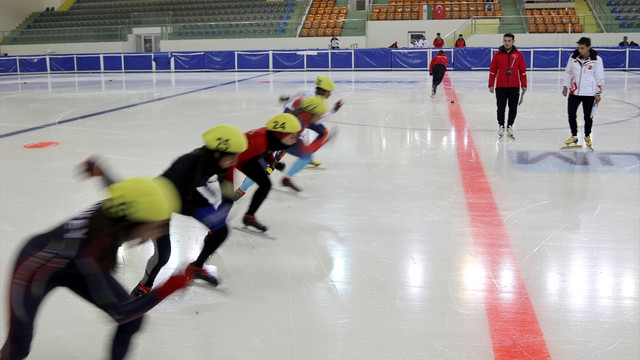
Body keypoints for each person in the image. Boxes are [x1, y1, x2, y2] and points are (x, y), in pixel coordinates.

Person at [0, 176, 192, 360]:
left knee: (134, 322)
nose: (155, 235)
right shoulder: (95, 246)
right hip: (33, 269)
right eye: (154, 227)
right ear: (133, 221)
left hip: (73, 265)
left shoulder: (119, 211)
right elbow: (121, 312)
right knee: (18, 350)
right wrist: (170, 286)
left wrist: (99, 170)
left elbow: (120, 187)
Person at [117, 124, 249, 296]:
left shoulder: (219, 162)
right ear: (218, 153)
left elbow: (227, 190)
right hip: (160, 200)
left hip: (186, 194)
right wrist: (204, 213)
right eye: (233, 157)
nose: (235, 161)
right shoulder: (188, 163)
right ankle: (144, 286)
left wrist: (222, 211)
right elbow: (175, 198)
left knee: (221, 230)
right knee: (163, 255)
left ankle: (196, 267)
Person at [228, 114, 302, 232]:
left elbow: (266, 151)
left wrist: (273, 163)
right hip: (234, 159)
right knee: (227, 194)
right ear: (280, 134)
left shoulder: (272, 138)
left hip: (246, 158)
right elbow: (235, 160)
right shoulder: (260, 143)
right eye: (292, 136)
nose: (295, 140)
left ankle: (249, 217)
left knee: (265, 185)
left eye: (296, 136)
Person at [562, 37, 604, 149]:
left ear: (588, 47)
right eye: (579, 48)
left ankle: (587, 136)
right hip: (574, 91)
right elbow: (568, 72)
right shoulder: (573, 57)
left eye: (582, 48)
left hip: (589, 93)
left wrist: (598, 93)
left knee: (588, 117)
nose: (580, 50)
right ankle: (574, 135)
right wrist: (565, 86)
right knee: (571, 115)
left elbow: (599, 77)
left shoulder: (597, 60)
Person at [488, 33, 527, 138]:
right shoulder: (497, 55)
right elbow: (493, 71)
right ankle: (501, 125)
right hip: (500, 86)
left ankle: (510, 125)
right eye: (505, 40)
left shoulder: (519, 55)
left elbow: (523, 71)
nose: (507, 43)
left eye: (509, 41)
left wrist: (524, 84)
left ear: (513, 41)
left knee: (513, 108)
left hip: (514, 86)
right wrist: (491, 84)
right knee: (500, 107)